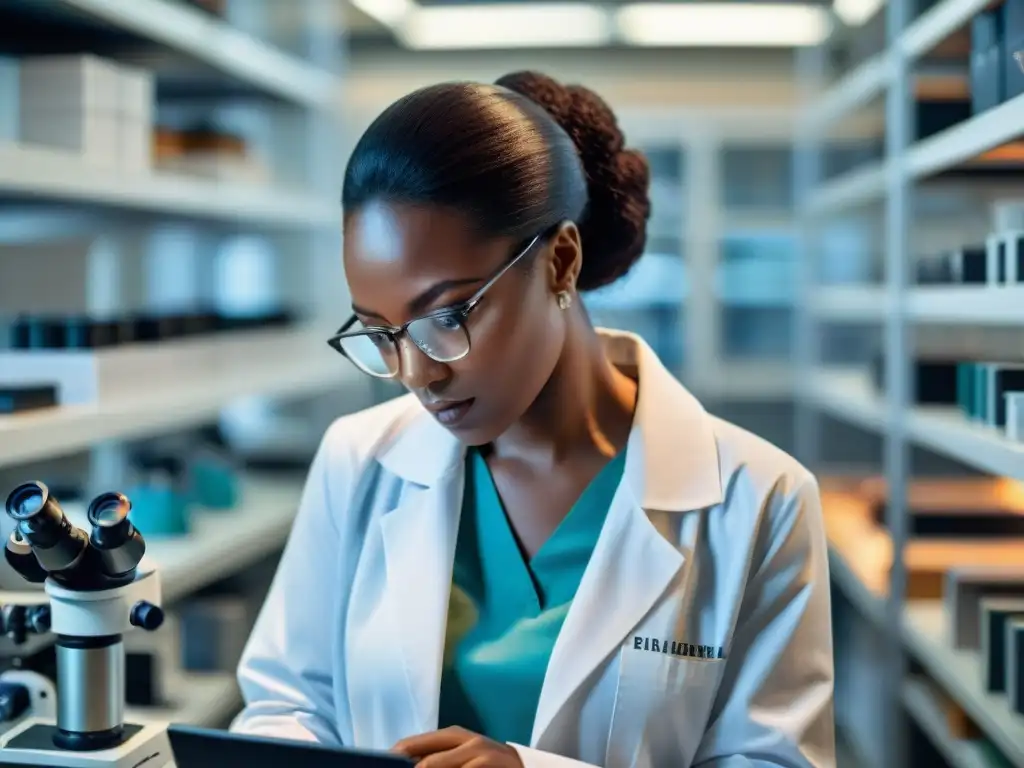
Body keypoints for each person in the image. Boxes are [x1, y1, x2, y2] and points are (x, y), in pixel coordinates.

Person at [231, 71, 836, 768]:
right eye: (381, 332)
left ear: (560, 261)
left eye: (447, 316)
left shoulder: (761, 498)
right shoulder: (357, 458)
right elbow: (287, 705)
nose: (417, 373)